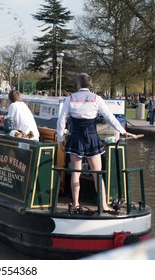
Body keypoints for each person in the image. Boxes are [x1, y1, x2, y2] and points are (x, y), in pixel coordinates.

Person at [56, 73, 138, 212]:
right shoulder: (97, 99)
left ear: (78, 84)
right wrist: (123, 131)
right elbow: (110, 117)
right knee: (97, 173)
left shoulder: (70, 99)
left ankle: (75, 204)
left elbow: (61, 120)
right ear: (90, 85)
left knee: (76, 173)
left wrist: (60, 138)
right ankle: (104, 205)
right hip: (92, 138)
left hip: (76, 137)